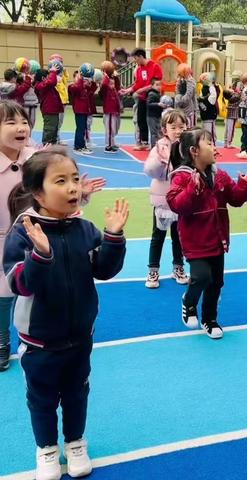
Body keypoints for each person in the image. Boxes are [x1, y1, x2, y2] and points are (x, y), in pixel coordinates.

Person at [3, 147, 128, 480]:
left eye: (75, 178)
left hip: (79, 336)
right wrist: (40, 255)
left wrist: (113, 237)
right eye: (61, 180)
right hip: (40, 340)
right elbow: (18, 283)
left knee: (76, 394)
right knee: (42, 398)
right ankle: (46, 449)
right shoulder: (25, 230)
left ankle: (75, 443)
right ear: (37, 192)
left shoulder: (84, 228)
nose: (74, 187)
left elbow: (103, 270)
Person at [166, 128, 247, 339]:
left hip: (217, 238)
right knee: (201, 276)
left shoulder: (220, 175)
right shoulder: (182, 177)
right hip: (195, 241)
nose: (213, 147)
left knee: (216, 282)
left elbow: (235, 198)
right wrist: (192, 190)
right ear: (194, 151)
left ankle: (210, 319)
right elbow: (176, 205)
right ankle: (189, 302)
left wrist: (246, 187)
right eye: (208, 143)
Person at [0, 101, 36, 372]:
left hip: (33, 237)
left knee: (32, 290)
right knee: (2, 297)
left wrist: (78, 192)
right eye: (10, 122)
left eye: (23, 121)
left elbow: (52, 188)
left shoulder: (36, 161)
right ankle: (2, 342)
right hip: (1, 238)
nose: (20, 127)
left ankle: (34, 338)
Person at [144, 109, 189, 288]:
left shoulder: (188, 145)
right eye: (173, 127)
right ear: (165, 130)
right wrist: (161, 161)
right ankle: (153, 270)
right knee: (158, 237)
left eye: (181, 126)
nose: (178, 130)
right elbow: (150, 170)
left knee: (179, 237)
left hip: (181, 200)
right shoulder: (159, 147)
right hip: (163, 201)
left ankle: (178, 267)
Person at [122, 48, 163, 150]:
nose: (135, 61)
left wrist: (141, 90)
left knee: (153, 121)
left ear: (141, 56)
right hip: (142, 98)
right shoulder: (139, 69)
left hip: (152, 98)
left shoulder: (155, 66)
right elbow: (138, 84)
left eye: (135, 58)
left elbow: (155, 84)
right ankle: (144, 143)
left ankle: (157, 143)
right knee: (141, 120)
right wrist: (128, 90)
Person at [68, 71, 98, 154]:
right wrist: (80, 79)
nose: (84, 80)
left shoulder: (85, 88)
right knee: (80, 129)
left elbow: (93, 88)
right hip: (79, 111)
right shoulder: (73, 87)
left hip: (85, 111)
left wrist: (92, 81)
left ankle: (82, 145)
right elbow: (77, 88)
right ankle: (78, 147)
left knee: (83, 129)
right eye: (82, 79)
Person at [34, 68, 64, 145]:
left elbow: (52, 82)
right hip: (49, 110)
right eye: (48, 76)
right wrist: (53, 71)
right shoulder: (40, 85)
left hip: (53, 110)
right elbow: (51, 82)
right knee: (49, 130)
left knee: (54, 130)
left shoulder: (46, 86)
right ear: (43, 78)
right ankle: (46, 147)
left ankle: (52, 146)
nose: (50, 77)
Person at [99, 70, 122, 153]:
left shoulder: (114, 90)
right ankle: (108, 146)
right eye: (111, 84)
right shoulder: (106, 91)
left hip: (114, 112)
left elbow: (118, 86)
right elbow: (104, 85)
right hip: (109, 112)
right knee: (109, 129)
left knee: (113, 129)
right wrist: (106, 76)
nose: (112, 85)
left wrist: (116, 77)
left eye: (113, 84)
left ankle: (112, 143)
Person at [174, 63, 197, 128]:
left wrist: (180, 100)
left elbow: (188, 96)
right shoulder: (181, 80)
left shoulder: (191, 81)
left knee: (189, 127)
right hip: (182, 108)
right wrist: (178, 82)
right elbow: (177, 92)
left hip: (189, 109)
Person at [197, 73, 218, 145]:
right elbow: (210, 98)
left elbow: (213, 97)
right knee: (207, 132)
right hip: (206, 115)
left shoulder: (210, 88)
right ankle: (209, 146)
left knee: (209, 132)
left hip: (208, 115)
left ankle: (212, 146)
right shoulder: (205, 88)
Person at [146, 77, 164, 148]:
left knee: (159, 131)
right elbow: (149, 104)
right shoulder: (151, 93)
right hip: (151, 116)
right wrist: (158, 104)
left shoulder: (158, 94)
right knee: (153, 133)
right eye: (157, 85)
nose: (159, 86)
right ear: (152, 85)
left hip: (158, 115)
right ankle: (154, 147)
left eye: (160, 85)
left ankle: (158, 146)